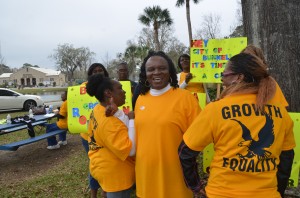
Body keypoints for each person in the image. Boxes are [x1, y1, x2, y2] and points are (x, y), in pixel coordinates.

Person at [179, 53, 295, 198]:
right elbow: (287, 158)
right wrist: (277, 191)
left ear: (239, 77)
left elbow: (185, 152)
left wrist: (196, 187)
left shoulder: (215, 110)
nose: (221, 78)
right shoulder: (281, 112)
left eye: (224, 74)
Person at [134, 51, 201, 198]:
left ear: (170, 71)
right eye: (151, 69)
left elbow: (198, 138)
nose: (156, 72)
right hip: (146, 174)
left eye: (162, 68)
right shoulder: (140, 99)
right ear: (145, 74)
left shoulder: (185, 98)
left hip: (175, 174)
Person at [241, 44, 291, 196]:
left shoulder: (271, 84)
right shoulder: (237, 84)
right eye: (245, 59)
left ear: (260, 61)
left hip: (271, 143)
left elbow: (282, 113)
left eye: (252, 59)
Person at [86, 74, 135, 198]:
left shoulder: (99, 109)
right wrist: (132, 120)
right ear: (108, 93)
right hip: (116, 175)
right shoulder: (109, 122)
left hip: (100, 165)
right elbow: (131, 150)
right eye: (120, 88)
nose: (124, 91)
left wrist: (118, 113)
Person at [81, 63, 109, 198]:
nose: (98, 73)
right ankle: (93, 194)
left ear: (105, 72)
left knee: (107, 163)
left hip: (106, 133)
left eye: (100, 70)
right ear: (90, 74)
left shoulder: (111, 86)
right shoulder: (82, 89)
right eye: (94, 71)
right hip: (88, 134)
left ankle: (105, 192)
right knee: (95, 163)